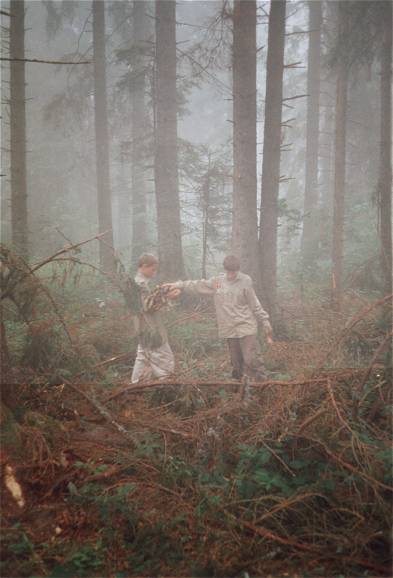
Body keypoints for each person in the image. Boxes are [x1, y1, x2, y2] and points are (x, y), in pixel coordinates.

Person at [166, 255, 273, 381]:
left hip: (246, 327)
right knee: (236, 363)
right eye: (229, 271)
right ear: (225, 269)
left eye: (234, 272)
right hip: (229, 328)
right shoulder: (218, 283)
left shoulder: (245, 281)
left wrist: (265, 320)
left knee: (252, 359)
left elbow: (254, 303)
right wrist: (179, 285)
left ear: (238, 269)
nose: (231, 275)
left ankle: (261, 386)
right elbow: (198, 285)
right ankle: (239, 390)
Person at [131, 253, 180, 383]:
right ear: (144, 266)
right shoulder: (139, 284)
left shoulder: (140, 283)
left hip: (143, 328)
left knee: (143, 356)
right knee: (164, 357)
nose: (154, 272)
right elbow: (147, 306)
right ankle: (166, 384)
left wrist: (163, 293)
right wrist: (168, 297)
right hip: (150, 328)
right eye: (153, 269)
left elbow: (149, 302)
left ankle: (136, 385)